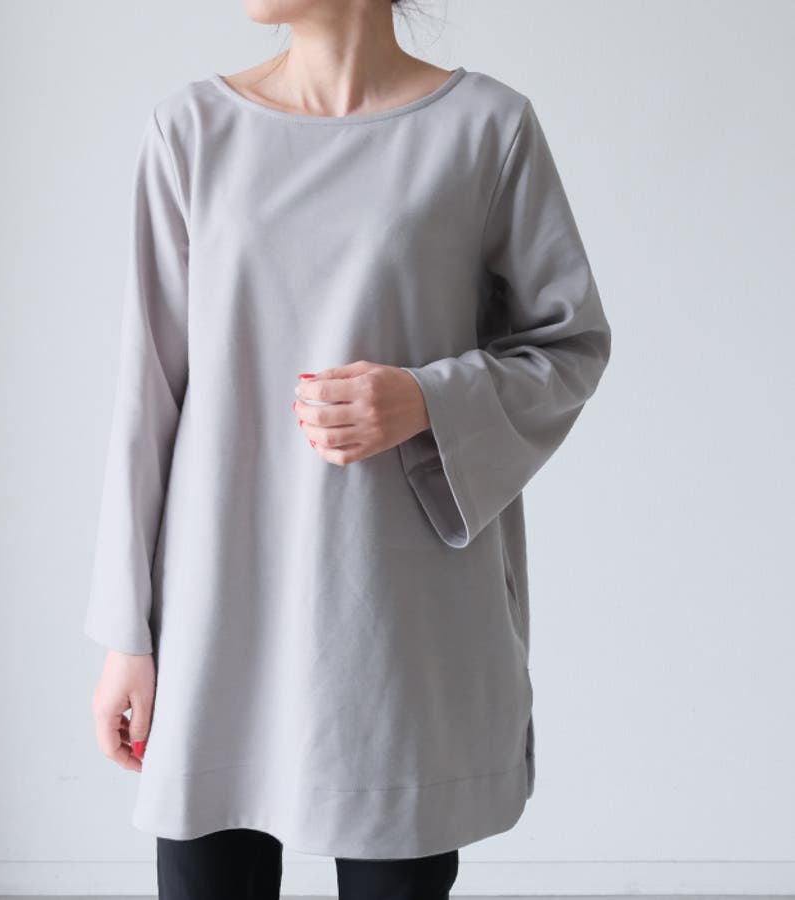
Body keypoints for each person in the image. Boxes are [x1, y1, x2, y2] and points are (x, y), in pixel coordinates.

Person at [84, 1, 612, 898]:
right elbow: (148, 397)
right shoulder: (191, 132)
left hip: (396, 621)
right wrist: (125, 636)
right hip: (217, 616)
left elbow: (569, 346)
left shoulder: (487, 130)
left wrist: (427, 399)